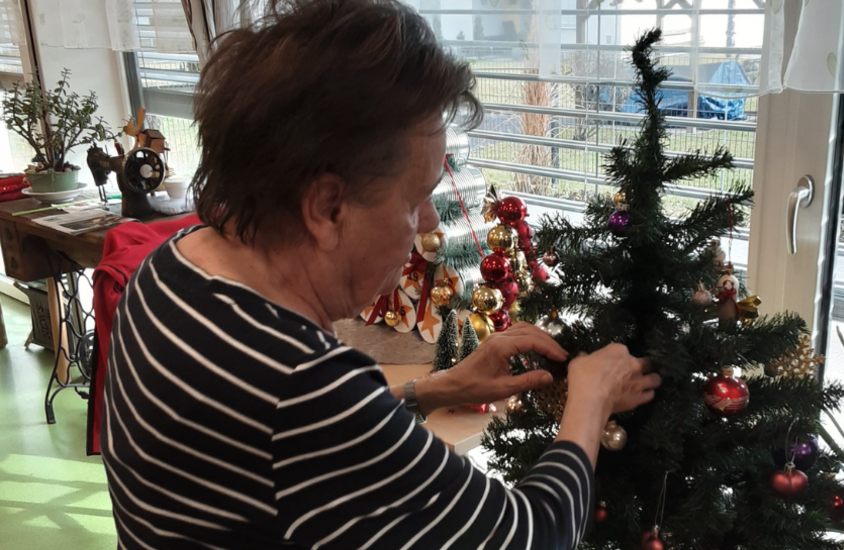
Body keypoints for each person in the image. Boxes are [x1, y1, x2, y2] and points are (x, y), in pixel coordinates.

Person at [99, 0, 661, 548]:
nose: (429, 222)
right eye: (415, 199)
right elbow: (529, 535)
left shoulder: (167, 270)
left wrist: (437, 389)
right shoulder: (303, 384)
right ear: (327, 208)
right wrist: (591, 401)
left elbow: (290, 451)